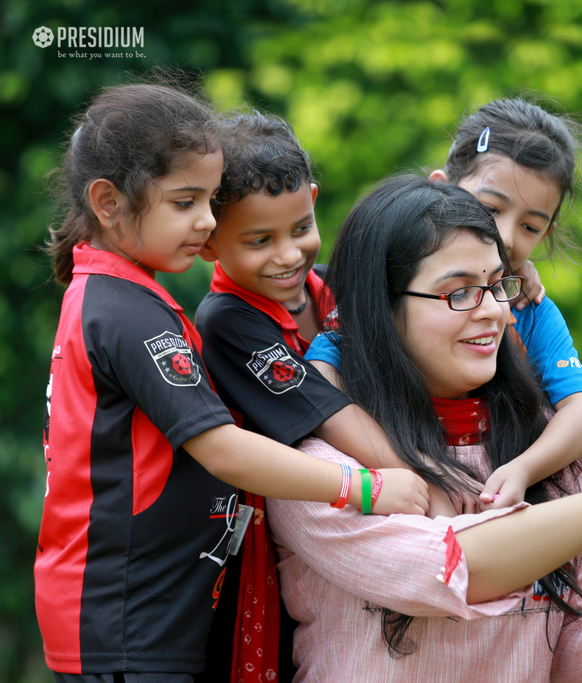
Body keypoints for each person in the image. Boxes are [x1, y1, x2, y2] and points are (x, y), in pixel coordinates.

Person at [37, 82, 427, 682]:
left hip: (147, 621)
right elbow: (222, 448)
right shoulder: (126, 311)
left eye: (211, 201)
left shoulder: (123, 298)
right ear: (109, 202)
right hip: (127, 626)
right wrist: (366, 489)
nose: (206, 222)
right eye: (186, 202)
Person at [268, 175, 582, 682]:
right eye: (459, 292)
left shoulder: (548, 444)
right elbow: (457, 571)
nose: (492, 311)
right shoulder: (318, 469)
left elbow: (575, 661)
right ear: (382, 307)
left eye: (497, 284)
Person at [194, 111, 427, 682]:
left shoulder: (328, 286)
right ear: (208, 241)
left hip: (371, 510)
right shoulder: (228, 319)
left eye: (300, 228)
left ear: (315, 199)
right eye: (258, 240)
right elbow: (330, 415)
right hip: (284, 526)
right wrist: (426, 481)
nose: (287, 255)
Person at [307, 97, 582, 511]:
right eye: (490, 208)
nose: (504, 235)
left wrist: (523, 469)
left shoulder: (529, 308)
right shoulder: (387, 283)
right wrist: (420, 470)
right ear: (440, 187)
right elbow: (321, 381)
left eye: (530, 226)